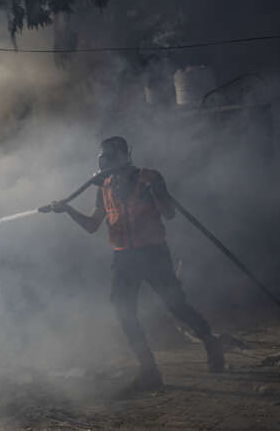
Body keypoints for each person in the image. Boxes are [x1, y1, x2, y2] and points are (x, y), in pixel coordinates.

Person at [49, 136, 224, 391]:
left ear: (124, 155)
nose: (104, 160)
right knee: (123, 310)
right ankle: (149, 370)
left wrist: (157, 194)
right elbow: (91, 225)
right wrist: (68, 210)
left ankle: (210, 340)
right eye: (102, 155)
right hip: (124, 257)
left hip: (153, 252)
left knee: (175, 305)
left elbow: (170, 214)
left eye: (110, 155)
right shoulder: (104, 186)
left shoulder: (149, 178)